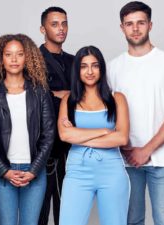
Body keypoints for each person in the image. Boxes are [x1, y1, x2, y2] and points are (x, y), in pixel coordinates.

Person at [108, 2, 164, 225]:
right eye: (129, 24)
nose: (135, 29)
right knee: (131, 220)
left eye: (140, 23)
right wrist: (125, 149)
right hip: (125, 160)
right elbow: (107, 114)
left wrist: (146, 150)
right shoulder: (113, 68)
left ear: (150, 25)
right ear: (122, 27)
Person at [0, 34, 55, 225]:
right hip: (3, 175)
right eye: (8, 54)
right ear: (1, 58)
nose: (14, 59)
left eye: (19, 54)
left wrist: (33, 170)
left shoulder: (40, 92)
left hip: (34, 173)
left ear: (28, 57)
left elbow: (48, 136)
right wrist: (4, 170)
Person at [58, 46, 130, 225]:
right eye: (84, 66)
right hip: (77, 171)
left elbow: (121, 138)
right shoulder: (69, 100)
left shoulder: (117, 98)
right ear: (77, 70)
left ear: (101, 68)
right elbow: (64, 135)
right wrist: (103, 131)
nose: (89, 71)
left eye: (95, 66)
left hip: (111, 171)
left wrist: (79, 135)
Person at [38, 6, 74, 225]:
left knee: (67, 212)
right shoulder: (33, 59)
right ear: (43, 29)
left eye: (64, 23)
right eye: (54, 24)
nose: (61, 29)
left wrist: (61, 95)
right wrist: (64, 95)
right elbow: (33, 97)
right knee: (39, 212)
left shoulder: (75, 60)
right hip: (42, 147)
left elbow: (85, 97)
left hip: (70, 147)